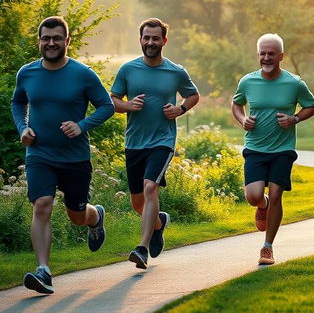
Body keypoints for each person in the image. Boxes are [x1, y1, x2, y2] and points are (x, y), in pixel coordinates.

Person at [11, 16, 114, 294]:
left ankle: (95, 217)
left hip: (74, 158)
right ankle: (43, 271)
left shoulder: (83, 74)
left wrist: (81, 125)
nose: (51, 43)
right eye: (46, 38)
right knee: (41, 205)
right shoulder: (27, 73)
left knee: (77, 216)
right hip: (39, 154)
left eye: (57, 38)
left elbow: (106, 106)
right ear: (39, 41)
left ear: (67, 41)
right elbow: (18, 102)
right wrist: (23, 127)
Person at [110, 18, 199, 270]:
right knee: (138, 202)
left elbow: (193, 94)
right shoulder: (128, 70)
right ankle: (159, 222)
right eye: (146, 38)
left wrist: (180, 109)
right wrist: (127, 105)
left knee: (151, 188)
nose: (150, 42)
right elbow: (113, 99)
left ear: (164, 41)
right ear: (140, 40)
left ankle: (142, 248)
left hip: (162, 140)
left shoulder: (175, 71)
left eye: (155, 38)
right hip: (134, 142)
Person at [232, 33, 314, 266]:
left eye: (271, 54)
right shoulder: (247, 81)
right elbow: (236, 103)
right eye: (262, 53)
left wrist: (294, 119)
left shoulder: (294, 83)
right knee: (253, 196)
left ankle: (267, 247)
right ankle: (263, 205)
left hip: (283, 148)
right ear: (258, 55)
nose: (266, 58)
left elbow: (311, 107)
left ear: (281, 56)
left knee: (278, 193)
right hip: (255, 147)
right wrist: (243, 120)